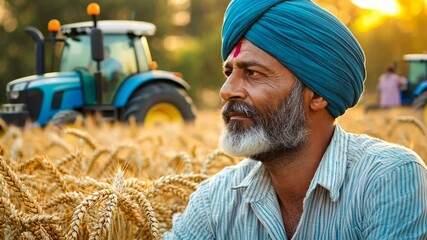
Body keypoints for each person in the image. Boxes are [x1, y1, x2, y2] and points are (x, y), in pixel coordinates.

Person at [164, 0, 427, 239]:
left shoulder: (388, 179)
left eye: (253, 73)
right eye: (229, 72)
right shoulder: (215, 201)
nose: (226, 90)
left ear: (316, 96)